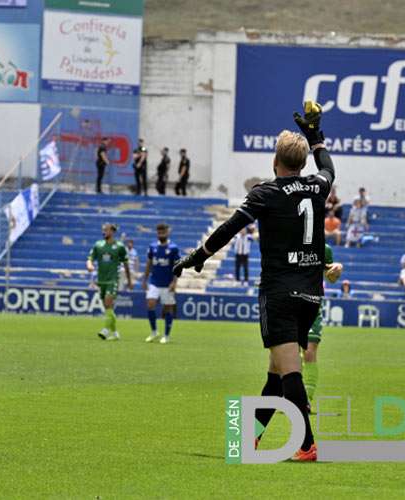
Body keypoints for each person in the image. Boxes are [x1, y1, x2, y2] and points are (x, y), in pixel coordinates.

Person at [172, 102, 334, 461]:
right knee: (277, 374)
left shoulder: (267, 193)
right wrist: (315, 134)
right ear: (302, 163)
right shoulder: (318, 187)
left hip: (279, 292)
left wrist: (198, 257)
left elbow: (229, 228)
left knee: (289, 371)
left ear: (275, 162)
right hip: (310, 294)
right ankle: (252, 438)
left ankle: (306, 445)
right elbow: (328, 167)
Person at [303, 243, 343, 407]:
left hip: (312, 305)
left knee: (309, 351)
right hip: (289, 304)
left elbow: (331, 277)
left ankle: (306, 398)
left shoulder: (324, 248)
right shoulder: (289, 240)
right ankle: (293, 395)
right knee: (289, 355)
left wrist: (336, 270)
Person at [86, 222, 132, 341]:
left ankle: (105, 330)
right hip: (101, 281)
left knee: (108, 303)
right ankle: (115, 333)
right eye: (103, 230)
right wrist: (90, 265)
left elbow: (126, 264)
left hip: (113, 279)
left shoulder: (120, 247)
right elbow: (90, 258)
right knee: (108, 308)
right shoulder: (98, 245)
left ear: (112, 232)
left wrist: (129, 280)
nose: (103, 232)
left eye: (106, 230)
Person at [143, 223, 179, 343]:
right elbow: (149, 263)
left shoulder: (173, 248)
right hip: (154, 282)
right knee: (150, 303)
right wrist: (144, 279)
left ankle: (166, 336)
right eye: (159, 232)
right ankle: (154, 332)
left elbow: (177, 266)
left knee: (168, 308)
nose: (161, 234)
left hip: (167, 283)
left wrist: (174, 282)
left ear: (167, 232)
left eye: (163, 232)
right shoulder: (152, 247)